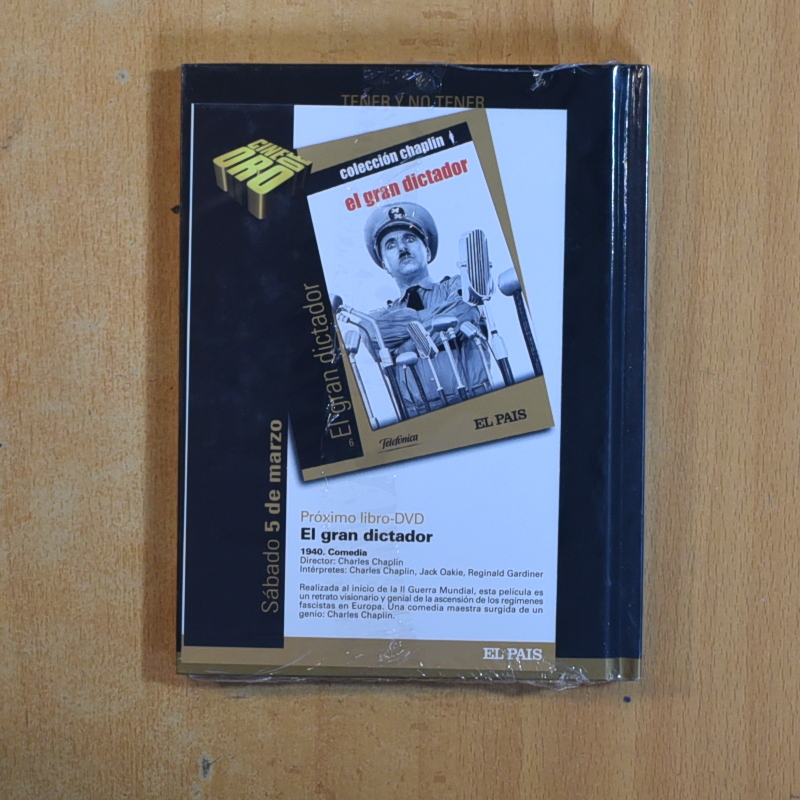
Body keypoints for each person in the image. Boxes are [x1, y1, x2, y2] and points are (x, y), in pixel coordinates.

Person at [360, 202, 491, 417]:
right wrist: (437, 324)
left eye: (409, 239)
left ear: (428, 252)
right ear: (385, 265)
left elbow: (465, 312)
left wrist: (403, 346)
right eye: (391, 245)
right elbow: (370, 333)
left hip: (477, 406)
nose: (402, 248)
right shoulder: (375, 319)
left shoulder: (458, 286)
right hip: (422, 421)